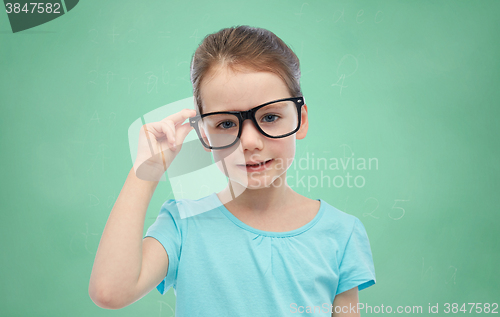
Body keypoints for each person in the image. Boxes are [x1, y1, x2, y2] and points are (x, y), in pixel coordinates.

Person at [89, 25, 376, 316]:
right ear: (203, 134)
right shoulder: (183, 225)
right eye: (226, 124)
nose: (250, 142)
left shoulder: (341, 233)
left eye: (270, 116)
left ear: (300, 120)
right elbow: (110, 291)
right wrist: (147, 170)